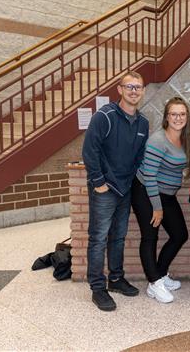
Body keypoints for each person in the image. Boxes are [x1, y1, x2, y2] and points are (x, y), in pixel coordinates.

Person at [82, 71, 149, 311]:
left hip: (125, 189)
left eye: (138, 87)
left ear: (142, 91)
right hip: (104, 189)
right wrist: (99, 182)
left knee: (118, 236)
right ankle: (98, 288)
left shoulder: (143, 122)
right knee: (98, 238)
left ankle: (116, 279)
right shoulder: (105, 116)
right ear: (119, 89)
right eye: (129, 86)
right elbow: (90, 151)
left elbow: (139, 155)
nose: (134, 91)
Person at [131, 97, 190, 303]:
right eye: (174, 114)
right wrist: (157, 208)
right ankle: (154, 283)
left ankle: (161, 273)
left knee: (180, 234)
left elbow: (176, 166)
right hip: (146, 192)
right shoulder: (158, 140)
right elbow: (149, 176)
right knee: (150, 237)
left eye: (182, 114)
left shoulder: (184, 138)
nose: (178, 118)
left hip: (167, 194)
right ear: (166, 117)